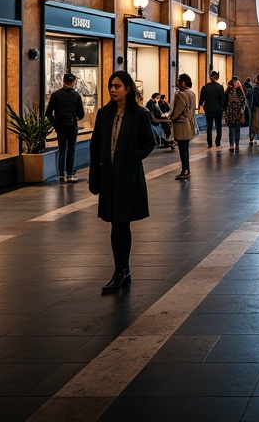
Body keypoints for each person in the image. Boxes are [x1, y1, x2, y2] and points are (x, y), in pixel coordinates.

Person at [88, 70, 155, 293]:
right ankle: (121, 270)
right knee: (114, 223)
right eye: (111, 86)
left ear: (127, 88)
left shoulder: (139, 114)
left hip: (128, 178)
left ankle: (121, 270)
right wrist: (94, 176)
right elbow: (95, 146)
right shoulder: (104, 113)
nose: (113, 90)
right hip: (108, 176)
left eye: (117, 86)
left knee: (122, 223)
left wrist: (132, 158)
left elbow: (149, 142)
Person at [45, 71, 85, 182]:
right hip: (72, 125)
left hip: (60, 126)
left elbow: (48, 113)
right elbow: (81, 113)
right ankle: (70, 173)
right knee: (71, 149)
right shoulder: (75, 95)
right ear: (73, 82)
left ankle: (61, 174)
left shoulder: (55, 95)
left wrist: (55, 123)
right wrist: (76, 119)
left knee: (62, 149)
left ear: (63, 81)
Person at [169, 74, 197, 179]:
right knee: (185, 147)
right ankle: (186, 169)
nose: (176, 83)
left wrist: (171, 118)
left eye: (178, 81)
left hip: (181, 125)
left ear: (183, 82)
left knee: (183, 149)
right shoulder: (192, 93)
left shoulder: (180, 94)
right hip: (190, 123)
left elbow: (178, 111)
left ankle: (185, 170)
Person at [197, 69, 225, 149]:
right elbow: (222, 99)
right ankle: (218, 143)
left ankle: (209, 143)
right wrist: (222, 108)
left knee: (209, 126)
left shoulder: (205, 87)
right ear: (217, 78)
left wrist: (200, 106)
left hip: (209, 109)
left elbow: (201, 99)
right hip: (218, 110)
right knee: (218, 126)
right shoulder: (220, 87)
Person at [224, 77, 247, 152]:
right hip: (237, 112)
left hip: (231, 112)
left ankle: (232, 145)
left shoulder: (229, 91)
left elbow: (225, 101)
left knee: (232, 129)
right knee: (236, 129)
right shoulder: (239, 92)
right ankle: (236, 145)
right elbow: (243, 102)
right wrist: (242, 109)